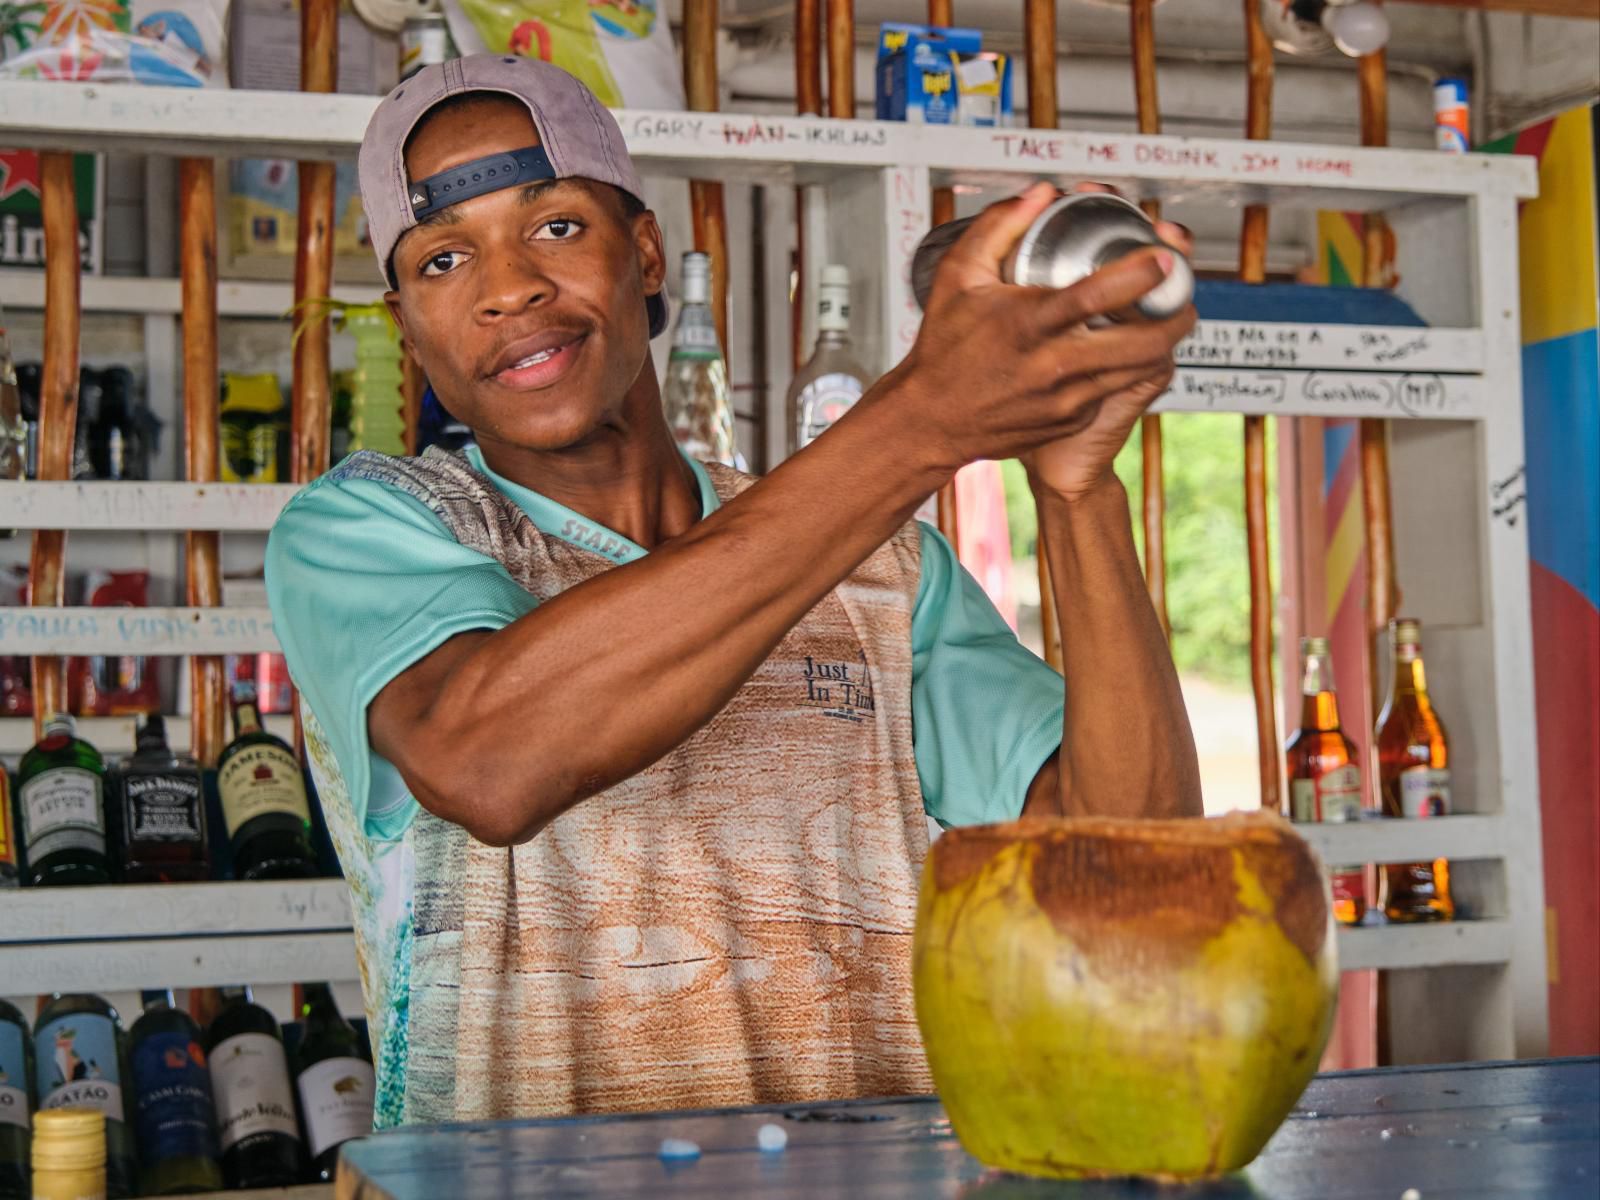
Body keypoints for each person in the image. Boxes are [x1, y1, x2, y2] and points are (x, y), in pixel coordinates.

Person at [265, 54, 1202, 1129]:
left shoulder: (884, 571)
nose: (508, 287)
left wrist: (1076, 484)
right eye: (442, 259)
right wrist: (921, 421)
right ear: (409, 328)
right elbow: (491, 763)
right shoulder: (368, 529)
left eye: (557, 227)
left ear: (648, 253)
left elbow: (1123, 874)